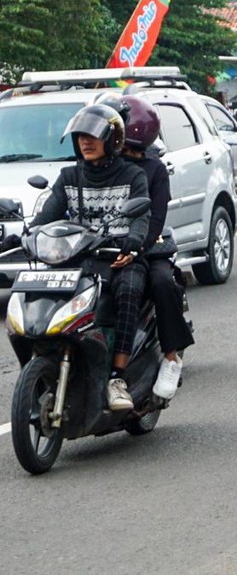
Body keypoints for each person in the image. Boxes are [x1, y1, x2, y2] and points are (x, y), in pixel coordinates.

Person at [30, 104, 150, 411]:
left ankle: (117, 377)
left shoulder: (133, 175)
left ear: (113, 140)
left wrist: (132, 243)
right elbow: (46, 217)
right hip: (78, 260)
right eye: (81, 136)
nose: (85, 142)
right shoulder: (69, 176)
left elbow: (140, 216)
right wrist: (28, 234)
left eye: (93, 136)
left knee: (128, 290)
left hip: (119, 258)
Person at [113, 95, 195, 400]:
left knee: (161, 282)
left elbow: (155, 219)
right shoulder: (99, 164)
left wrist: (134, 248)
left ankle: (171, 356)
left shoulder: (154, 169)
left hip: (147, 246)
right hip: (104, 247)